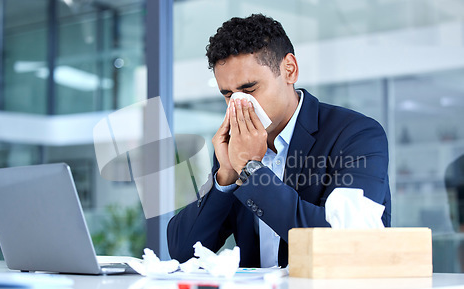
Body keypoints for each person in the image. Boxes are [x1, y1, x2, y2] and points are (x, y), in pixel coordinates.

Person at [167, 14, 391, 267]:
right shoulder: (236, 148)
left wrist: (251, 170)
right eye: (228, 95)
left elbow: (342, 243)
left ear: (289, 70)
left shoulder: (356, 135)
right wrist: (227, 176)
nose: (239, 105)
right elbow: (182, 250)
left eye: (250, 90)